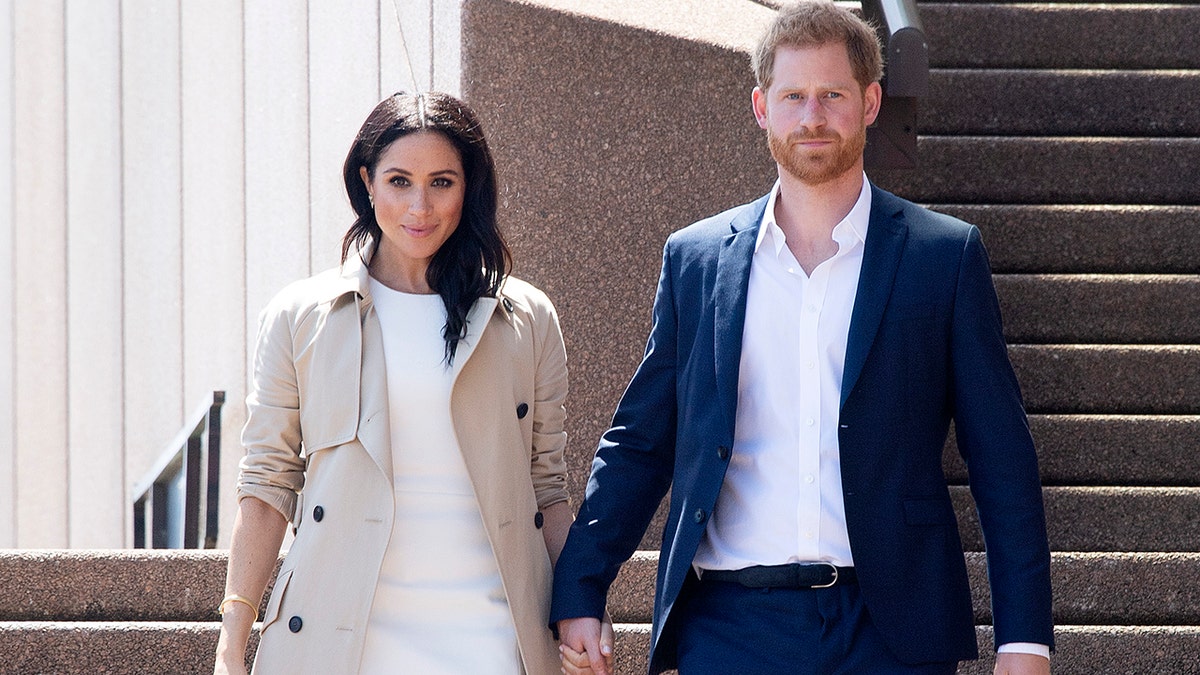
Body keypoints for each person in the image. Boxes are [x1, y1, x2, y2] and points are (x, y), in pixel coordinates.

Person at [551, 2, 1053, 674]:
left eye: (832, 95)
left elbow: (1002, 459)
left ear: (871, 102)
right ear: (762, 107)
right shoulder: (696, 260)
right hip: (729, 627)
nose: (811, 116)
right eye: (793, 96)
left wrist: (1024, 639)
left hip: (891, 631)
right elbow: (641, 443)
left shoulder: (943, 256)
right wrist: (581, 587)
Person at [213, 91, 596, 674]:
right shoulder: (300, 316)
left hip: (492, 634)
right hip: (339, 636)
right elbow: (267, 486)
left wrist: (579, 609)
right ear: (367, 182)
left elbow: (547, 489)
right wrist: (232, 639)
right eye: (399, 181)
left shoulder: (526, 317)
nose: (420, 206)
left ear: (469, 188)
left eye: (442, 182)